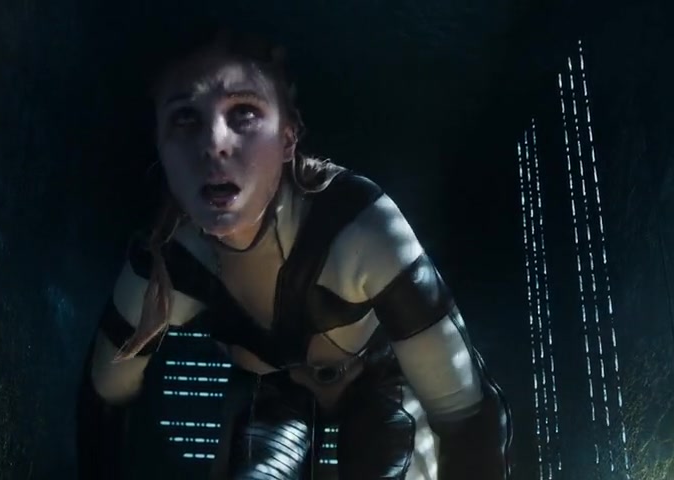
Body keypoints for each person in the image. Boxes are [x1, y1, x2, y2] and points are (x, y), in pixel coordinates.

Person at [80, 27, 512, 480]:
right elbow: (104, 397)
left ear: (288, 138)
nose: (213, 143)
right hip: (269, 390)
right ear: (160, 146)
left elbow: (465, 410)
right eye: (185, 118)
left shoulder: (358, 229)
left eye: (243, 112)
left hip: (381, 380)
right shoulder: (167, 264)